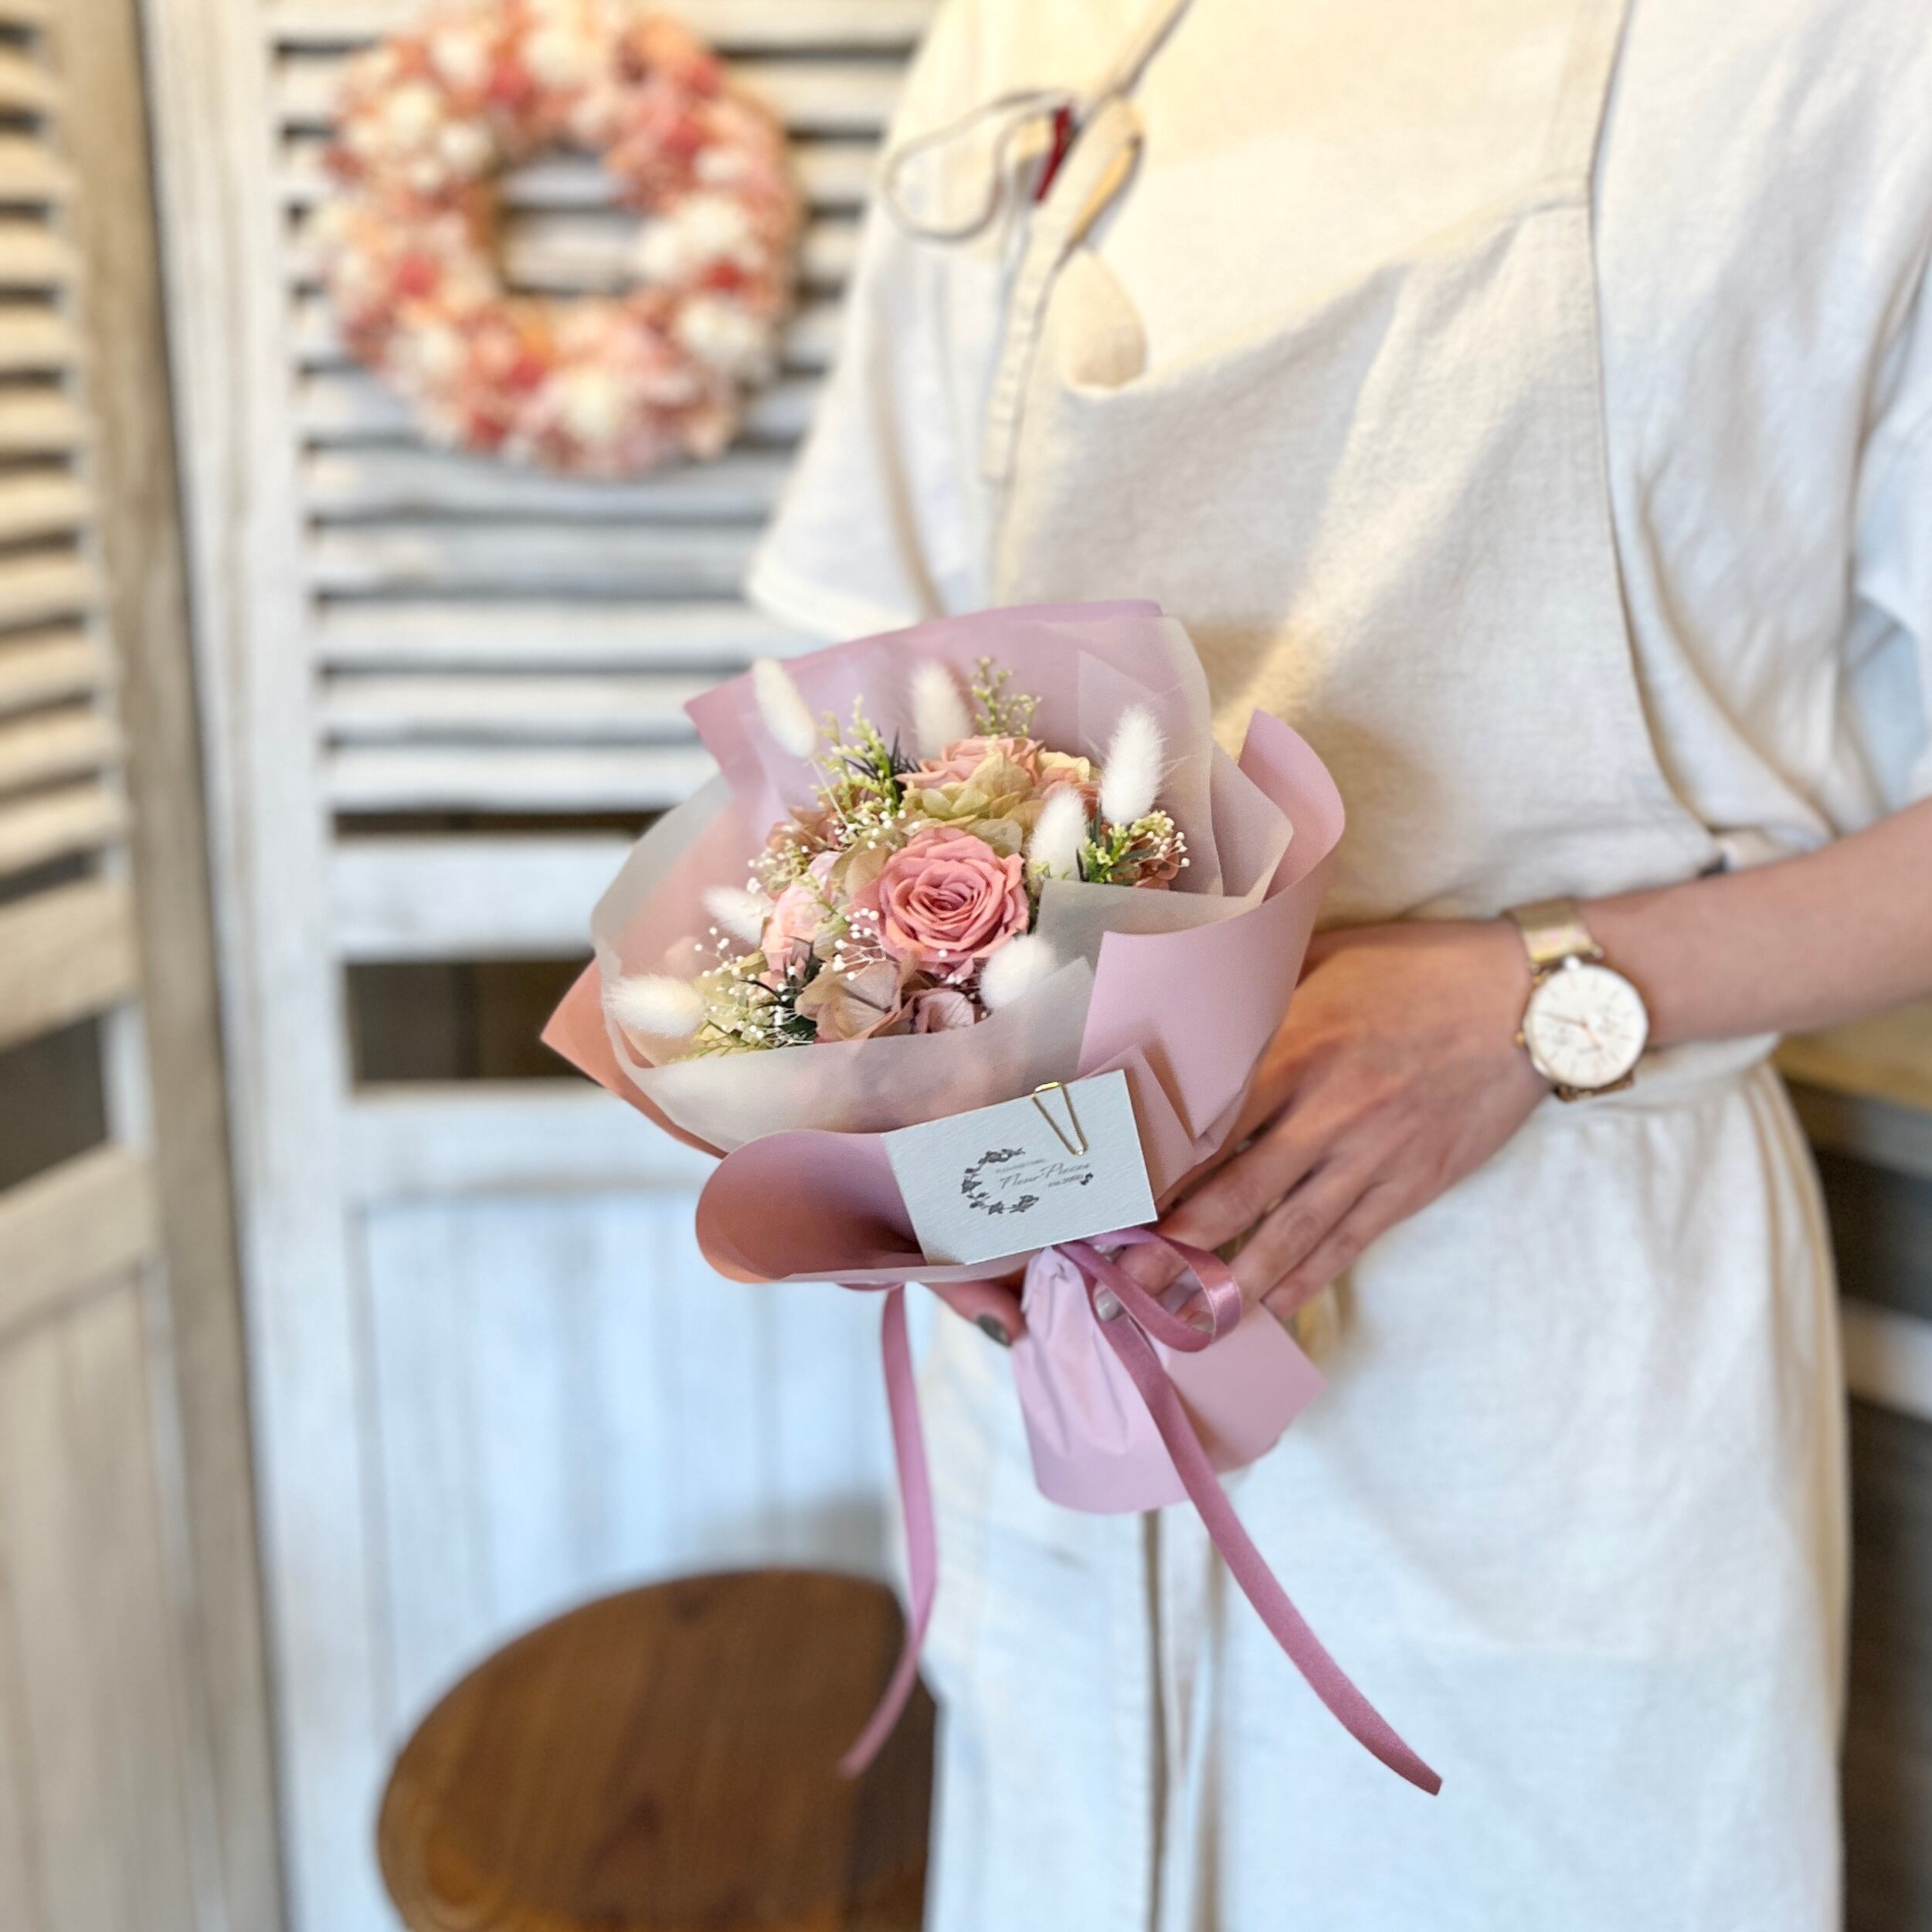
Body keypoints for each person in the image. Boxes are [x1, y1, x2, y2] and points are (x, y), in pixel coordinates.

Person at [745, 1, 1932, 1924]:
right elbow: (855, 653)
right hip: (1058, 1302)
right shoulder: (1026, 30)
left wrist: (1549, 1001)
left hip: (1552, 1329)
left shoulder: (1854, 52)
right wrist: (901, 1090)